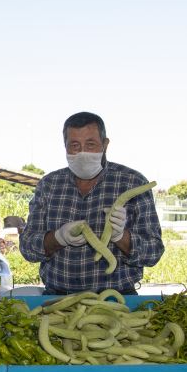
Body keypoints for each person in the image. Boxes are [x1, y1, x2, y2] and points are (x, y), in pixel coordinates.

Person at [19, 111, 164, 295]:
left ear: (105, 144)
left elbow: (153, 253)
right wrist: (58, 237)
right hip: (58, 299)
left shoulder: (133, 182)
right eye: (74, 145)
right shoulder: (49, 185)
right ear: (65, 147)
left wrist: (120, 236)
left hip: (118, 298)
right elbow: (27, 247)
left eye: (90, 144)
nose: (82, 153)